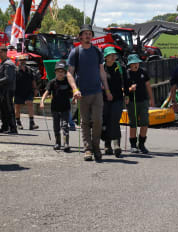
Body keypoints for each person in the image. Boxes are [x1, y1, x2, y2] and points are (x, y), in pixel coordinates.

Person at [67, 24, 112, 162]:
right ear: (80, 37)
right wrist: (75, 89)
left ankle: (96, 146)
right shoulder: (76, 52)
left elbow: (102, 72)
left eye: (89, 34)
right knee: (85, 122)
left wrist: (107, 90)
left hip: (97, 92)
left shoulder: (98, 51)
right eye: (85, 34)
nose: (88, 36)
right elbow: (70, 73)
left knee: (98, 120)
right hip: (82, 93)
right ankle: (88, 149)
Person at [40, 61, 72, 152]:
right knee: (56, 126)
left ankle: (66, 143)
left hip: (65, 107)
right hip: (55, 108)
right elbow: (46, 92)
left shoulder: (68, 81)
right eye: (58, 71)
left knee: (65, 125)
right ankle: (57, 142)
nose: (60, 73)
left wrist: (74, 98)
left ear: (65, 72)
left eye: (62, 71)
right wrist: (42, 101)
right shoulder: (52, 82)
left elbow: (72, 91)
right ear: (55, 72)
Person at [101, 47, 128, 158]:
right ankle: (107, 145)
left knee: (115, 120)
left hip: (117, 98)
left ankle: (116, 145)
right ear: (106, 57)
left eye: (114, 55)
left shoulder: (120, 67)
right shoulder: (102, 67)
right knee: (106, 121)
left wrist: (127, 95)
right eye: (110, 55)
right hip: (103, 99)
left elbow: (126, 82)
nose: (113, 57)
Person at [125, 54, 154, 154]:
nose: (136, 65)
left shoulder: (143, 72)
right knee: (133, 122)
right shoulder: (126, 74)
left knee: (145, 122)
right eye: (133, 63)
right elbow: (123, 89)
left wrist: (151, 99)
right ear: (130, 64)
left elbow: (148, 86)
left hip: (143, 100)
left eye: (137, 63)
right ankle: (133, 144)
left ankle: (141, 144)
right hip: (132, 101)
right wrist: (129, 89)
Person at [14, 55, 38, 130]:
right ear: (18, 62)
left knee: (30, 103)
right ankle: (18, 123)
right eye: (21, 60)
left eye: (24, 60)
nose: (23, 62)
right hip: (18, 91)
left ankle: (32, 123)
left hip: (28, 91)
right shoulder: (15, 71)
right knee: (17, 106)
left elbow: (33, 80)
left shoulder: (29, 70)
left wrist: (35, 89)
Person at [0, 45, 18, 133]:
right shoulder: (4, 63)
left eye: (0, 53)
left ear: (4, 52)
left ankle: (13, 127)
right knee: (4, 109)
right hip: (3, 90)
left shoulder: (8, 64)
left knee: (9, 109)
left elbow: (8, 78)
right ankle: (5, 127)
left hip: (8, 89)